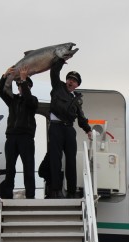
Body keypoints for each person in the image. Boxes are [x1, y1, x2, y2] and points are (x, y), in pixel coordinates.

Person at [48, 58, 92, 198]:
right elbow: (54, 72)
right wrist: (60, 60)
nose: (70, 81)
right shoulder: (57, 87)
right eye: (69, 79)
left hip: (68, 130)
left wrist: (88, 129)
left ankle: (71, 191)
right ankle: (55, 190)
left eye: (74, 80)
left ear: (77, 85)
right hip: (55, 127)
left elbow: (81, 117)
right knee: (55, 159)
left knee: (71, 160)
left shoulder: (77, 99)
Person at [0, 65, 39, 199]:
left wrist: (24, 79)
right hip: (12, 137)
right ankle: (8, 194)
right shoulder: (12, 101)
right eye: (19, 85)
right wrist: (4, 77)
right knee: (10, 168)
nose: (19, 86)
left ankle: (30, 195)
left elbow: (27, 98)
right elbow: (0, 90)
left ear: (28, 86)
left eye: (22, 84)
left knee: (28, 167)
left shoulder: (33, 100)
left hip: (26, 138)